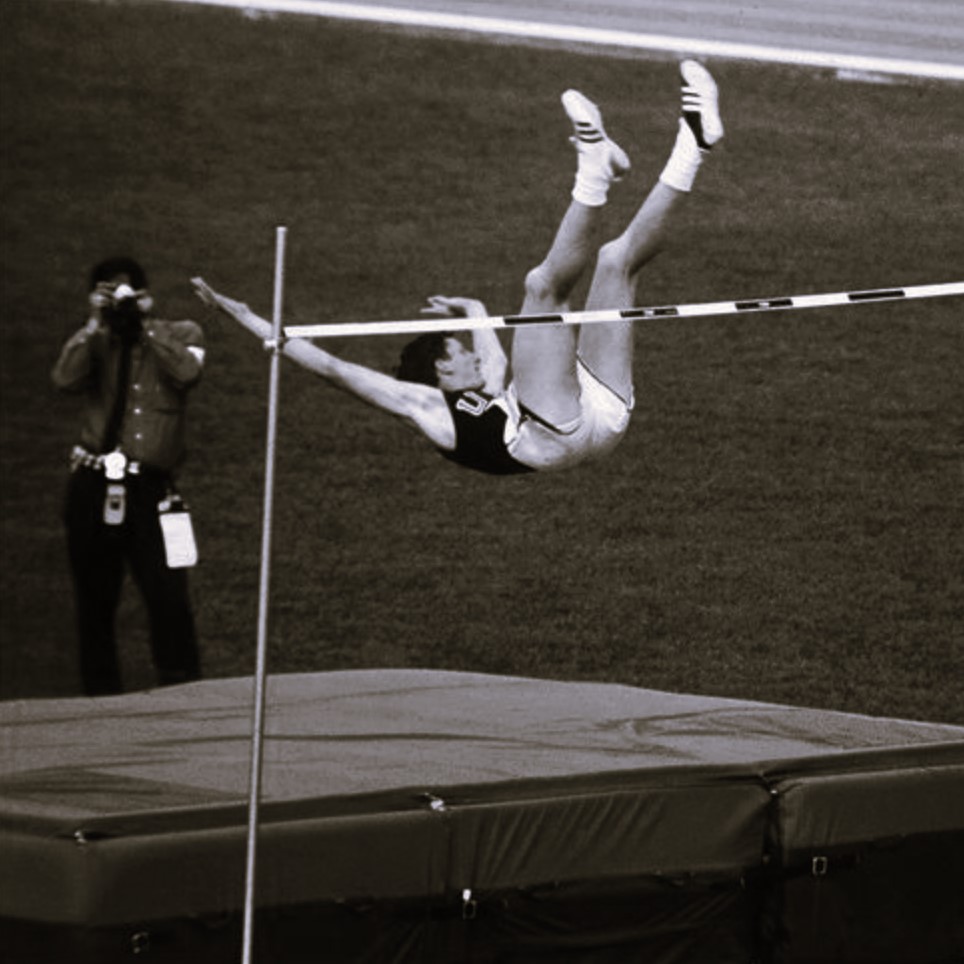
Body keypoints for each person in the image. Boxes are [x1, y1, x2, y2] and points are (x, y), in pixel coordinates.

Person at [194, 60, 723, 475]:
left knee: (618, 262)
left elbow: (494, 350)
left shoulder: (489, 391)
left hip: (593, 419)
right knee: (542, 289)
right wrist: (255, 323)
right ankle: (592, 172)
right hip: (555, 428)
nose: (472, 356)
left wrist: (473, 310)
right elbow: (335, 370)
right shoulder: (426, 408)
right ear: (442, 373)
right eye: (460, 355)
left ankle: (692, 141)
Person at [52, 257, 205, 695]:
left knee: (170, 599)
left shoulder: (181, 334)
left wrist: (146, 324)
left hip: (153, 491)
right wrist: (96, 323)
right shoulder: (97, 340)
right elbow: (64, 379)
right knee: (95, 603)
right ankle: (102, 706)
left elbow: (187, 373)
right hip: (92, 486)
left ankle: (185, 699)